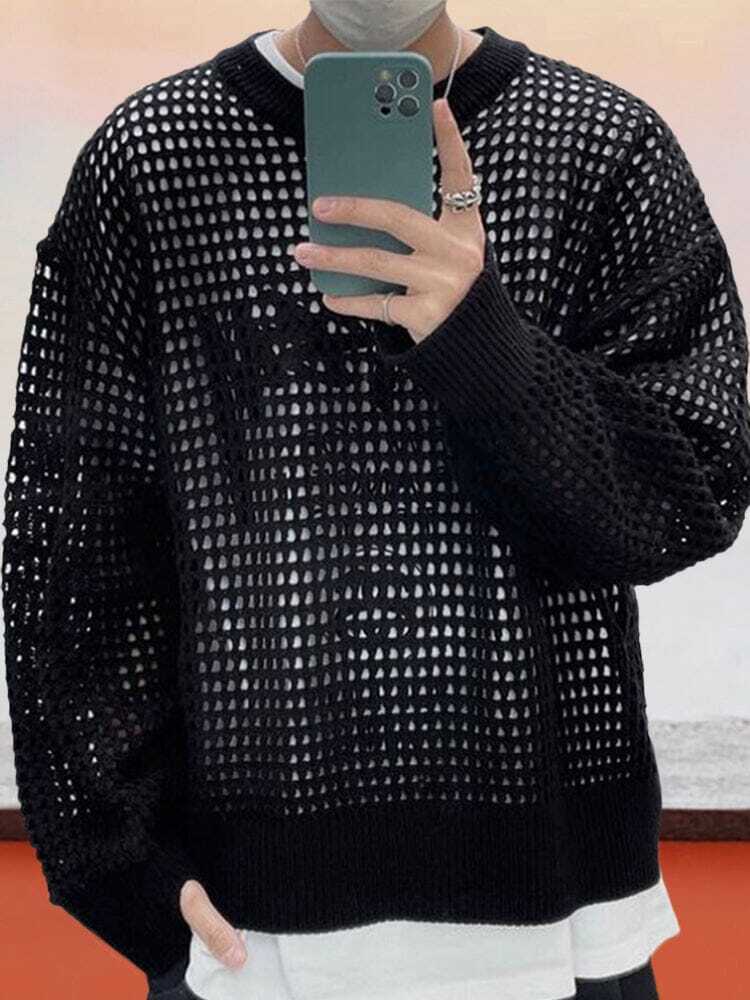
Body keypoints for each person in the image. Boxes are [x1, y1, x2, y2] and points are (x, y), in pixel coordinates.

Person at [3, 3, 748, 999]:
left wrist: (482, 341)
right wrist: (123, 866)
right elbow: (74, 550)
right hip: (250, 935)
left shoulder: (602, 145)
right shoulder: (150, 160)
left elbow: (692, 490)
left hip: (565, 916)